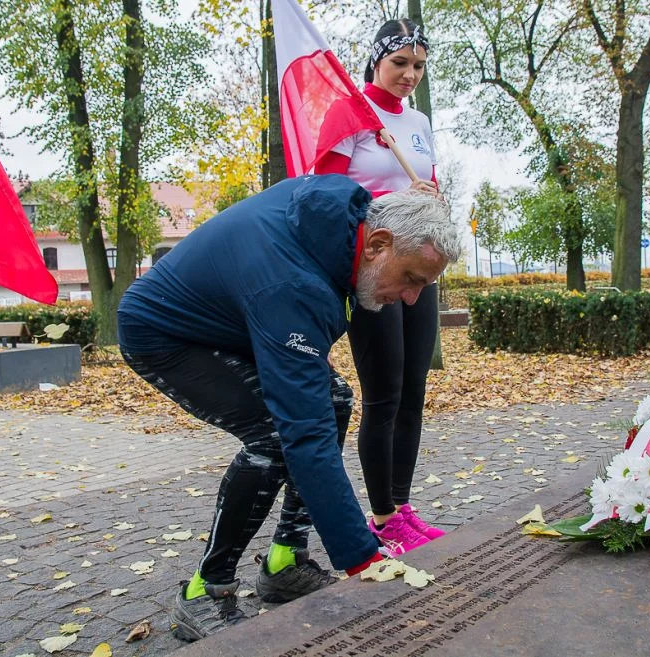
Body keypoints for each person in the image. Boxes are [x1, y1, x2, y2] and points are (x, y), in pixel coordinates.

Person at [117, 174, 460, 641]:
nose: (411, 298)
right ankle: (205, 589)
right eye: (412, 280)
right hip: (165, 335)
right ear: (377, 245)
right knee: (275, 435)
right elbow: (305, 435)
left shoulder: (348, 213)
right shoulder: (293, 286)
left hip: (235, 322)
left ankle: (284, 561)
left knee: (335, 401)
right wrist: (363, 559)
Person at [313, 18, 444, 556]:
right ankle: (383, 516)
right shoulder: (349, 113)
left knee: (415, 389)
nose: (409, 74)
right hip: (373, 269)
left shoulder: (418, 122)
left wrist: (429, 196)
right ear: (376, 61)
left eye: (417, 66)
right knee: (384, 394)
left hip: (418, 268)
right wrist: (387, 204)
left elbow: (430, 186)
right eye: (399, 63)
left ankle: (403, 505)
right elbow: (326, 192)